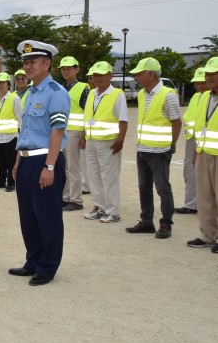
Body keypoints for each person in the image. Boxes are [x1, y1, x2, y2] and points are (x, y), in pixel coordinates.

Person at [8, 40, 69, 287]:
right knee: (29, 217)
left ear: (47, 63)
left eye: (32, 62)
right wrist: (16, 162)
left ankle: (47, 267)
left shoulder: (56, 93)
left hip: (46, 161)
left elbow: (57, 132)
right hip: (26, 162)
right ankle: (32, 261)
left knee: (48, 217)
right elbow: (25, 131)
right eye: (25, 62)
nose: (27, 66)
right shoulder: (30, 93)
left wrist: (50, 167)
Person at [125, 57, 182, 239]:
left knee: (162, 188)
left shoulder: (168, 94)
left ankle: (166, 224)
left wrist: (171, 145)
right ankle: (147, 221)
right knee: (144, 187)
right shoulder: (142, 94)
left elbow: (176, 122)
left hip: (159, 150)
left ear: (151, 74)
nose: (137, 78)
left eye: (139, 74)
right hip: (143, 148)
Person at [80, 62, 128, 223]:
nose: (97, 78)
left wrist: (120, 140)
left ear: (110, 75)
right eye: (95, 75)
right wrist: (84, 135)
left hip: (108, 142)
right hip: (91, 141)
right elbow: (87, 116)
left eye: (101, 75)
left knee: (109, 177)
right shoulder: (92, 93)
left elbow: (123, 120)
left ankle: (113, 211)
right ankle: (99, 207)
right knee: (93, 176)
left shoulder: (116, 94)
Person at [188, 57, 218, 252]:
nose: (208, 77)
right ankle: (208, 235)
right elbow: (200, 125)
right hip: (204, 151)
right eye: (207, 73)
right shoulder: (205, 97)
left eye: (213, 73)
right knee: (205, 196)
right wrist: (196, 150)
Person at [56, 56, 90, 212]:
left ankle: (76, 199)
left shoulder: (84, 88)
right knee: (64, 167)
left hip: (75, 131)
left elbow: (88, 113)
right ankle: (65, 197)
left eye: (69, 68)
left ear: (77, 69)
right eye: (63, 68)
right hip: (61, 131)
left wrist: (84, 134)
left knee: (74, 167)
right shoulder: (60, 88)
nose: (65, 71)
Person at [176, 67, 209, 215]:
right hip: (192, 139)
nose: (200, 86)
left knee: (207, 174)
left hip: (207, 140)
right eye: (197, 83)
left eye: (202, 83)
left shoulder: (211, 98)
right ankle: (191, 204)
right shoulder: (196, 97)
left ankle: (205, 206)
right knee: (189, 171)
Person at [0, 72, 22, 192]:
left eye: (2, 82)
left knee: (11, 161)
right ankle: (1, 180)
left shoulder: (14, 98)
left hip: (10, 136)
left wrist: (21, 135)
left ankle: (11, 182)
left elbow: (20, 118)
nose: (0, 85)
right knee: (0, 160)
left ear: (8, 84)